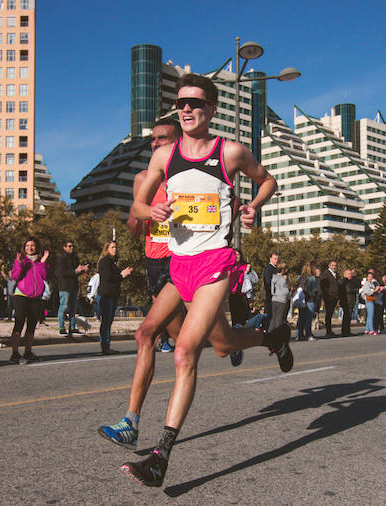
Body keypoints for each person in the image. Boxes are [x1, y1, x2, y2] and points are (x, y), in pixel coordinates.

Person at [120, 73, 291, 487]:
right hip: (179, 267)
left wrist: (252, 206)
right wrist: (152, 213)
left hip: (216, 263)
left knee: (184, 353)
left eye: (195, 103)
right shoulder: (163, 158)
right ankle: (273, 337)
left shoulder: (230, 152)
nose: (187, 109)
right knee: (223, 344)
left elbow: (268, 179)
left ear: (212, 109)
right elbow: (139, 207)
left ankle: (160, 456)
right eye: (181, 103)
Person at [126, 119, 182, 352]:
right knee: (174, 326)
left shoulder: (186, 178)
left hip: (180, 254)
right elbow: (133, 227)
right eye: (153, 139)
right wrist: (142, 215)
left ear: (177, 142)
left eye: (162, 138)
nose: (155, 143)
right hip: (154, 258)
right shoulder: (142, 179)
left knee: (157, 328)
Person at [8, 238, 50, 363]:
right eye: (27, 245)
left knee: (32, 325)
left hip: (36, 297)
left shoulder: (41, 262)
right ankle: (15, 353)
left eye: (32, 245)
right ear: (24, 247)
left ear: (37, 247)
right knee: (19, 323)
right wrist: (19, 264)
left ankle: (28, 351)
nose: (30, 248)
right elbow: (15, 276)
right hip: (22, 295)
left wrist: (43, 262)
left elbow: (46, 276)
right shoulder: (22, 260)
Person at [97, 240, 133, 355]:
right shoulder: (104, 262)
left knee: (109, 321)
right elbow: (109, 278)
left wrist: (123, 274)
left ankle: (107, 346)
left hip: (113, 295)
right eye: (112, 247)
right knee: (106, 322)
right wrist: (122, 274)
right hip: (106, 295)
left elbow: (116, 278)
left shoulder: (113, 262)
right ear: (107, 249)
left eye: (116, 247)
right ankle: (105, 346)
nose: (114, 249)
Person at [56, 240, 88, 336]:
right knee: (64, 307)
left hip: (74, 286)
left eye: (72, 246)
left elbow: (76, 272)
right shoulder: (61, 259)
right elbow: (61, 273)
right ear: (64, 247)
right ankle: (62, 328)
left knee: (73, 308)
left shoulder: (75, 258)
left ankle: (72, 327)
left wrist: (82, 270)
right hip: (64, 287)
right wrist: (75, 271)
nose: (71, 248)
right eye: (69, 246)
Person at [320, 260, 339, 337]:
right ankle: (328, 331)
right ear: (329, 266)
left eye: (335, 265)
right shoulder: (325, 274)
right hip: (328, 297)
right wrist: (327, 295)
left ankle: (330, 330)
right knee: (328, 314)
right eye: (332, 265)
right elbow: (323, 286)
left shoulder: (336, 274)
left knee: (331, 313)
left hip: (335, 297)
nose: (334, 267)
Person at [270, 263, 290, 329]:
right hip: (281, 299)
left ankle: (270, 333)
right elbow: (285, 290)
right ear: (283, 270)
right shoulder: (282, 279)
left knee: (274, 318)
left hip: (274, 299)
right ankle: (277, 333)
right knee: (279, 318)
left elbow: (272, 290)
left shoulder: (274, 277)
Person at [360, 270, 379, 335]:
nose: (370, 278)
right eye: (369, 276)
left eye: (371, 277)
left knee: (370, 315)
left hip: (372, 299)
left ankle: (367, 329)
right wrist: (374, 290)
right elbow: (367, 292)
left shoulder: (372, 283)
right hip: (368, 300)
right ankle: (371, 329)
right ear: (367, 277)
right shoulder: (366, 283)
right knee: (371, 315)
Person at [263, 252, 279, 326]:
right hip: (270, 295)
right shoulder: (269, 269)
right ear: (270, 259)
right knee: (269, 314)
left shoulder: (276, 269)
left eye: (277, 259)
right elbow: (267, 281)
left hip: (275, 295)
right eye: (274, 258)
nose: (276, 260)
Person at [338, 269, 355, 336]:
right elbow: (347, 290)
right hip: (346, 301)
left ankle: (347, 330)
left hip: (351, 301)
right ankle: (345, 331)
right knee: (346, 316)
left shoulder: (351, 281)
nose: (350, 275)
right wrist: (354, 290)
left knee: (349, 316)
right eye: (348, 274)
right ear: (344, 275)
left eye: (350, 274)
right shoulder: (343, 282)